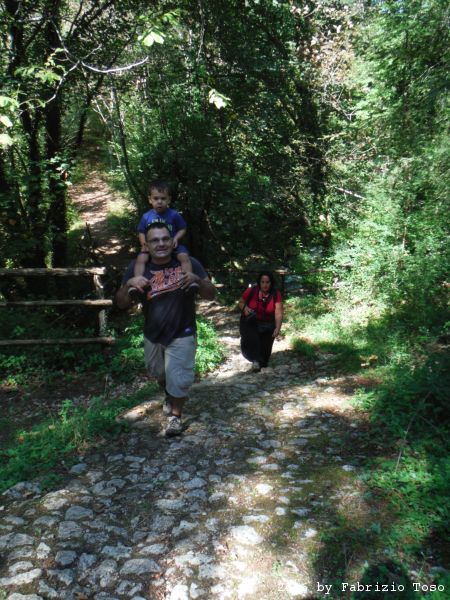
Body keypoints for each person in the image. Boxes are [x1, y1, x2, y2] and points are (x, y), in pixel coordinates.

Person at [116, 222, 216, 437]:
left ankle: (175, 418)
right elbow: (121, 303)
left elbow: (211, 294)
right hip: (153, 334)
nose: (160, 244)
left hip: (183, 331)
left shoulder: (189, 263)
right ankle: (169, 393)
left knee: (178, 377)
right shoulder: (137, 267)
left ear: (172, 241)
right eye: (155, 240)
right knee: (159, 372)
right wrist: (129, 283)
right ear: (147, 244)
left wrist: (198, 280)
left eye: (164, 239)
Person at [134, 180, 193, 281]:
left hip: (172, 245)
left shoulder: (174, 215)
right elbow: (141, 232)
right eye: (156, 198)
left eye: (163, 198)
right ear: (150, 199)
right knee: (141, 259)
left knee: (184, 256)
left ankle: (188, 278)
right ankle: (138, 280)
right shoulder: (146, 216)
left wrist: (176, 238)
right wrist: (144, 244)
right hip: (153, 247)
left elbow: (183, 228)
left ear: (169, 199)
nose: (159, 201)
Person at [238, 271, 283, 372]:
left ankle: (261, 364)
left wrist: (278, 327)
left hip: (268, 324)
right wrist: (245, 309)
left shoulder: (276, 294)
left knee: (266, 352)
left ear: (271, 283)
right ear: (259, 282)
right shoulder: (251, 290)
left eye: (267, 282)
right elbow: (241, 302)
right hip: (252, 322)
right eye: (262, 282)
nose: (265, 285)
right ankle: (255, 361)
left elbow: (279, 312)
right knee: (253, 341)